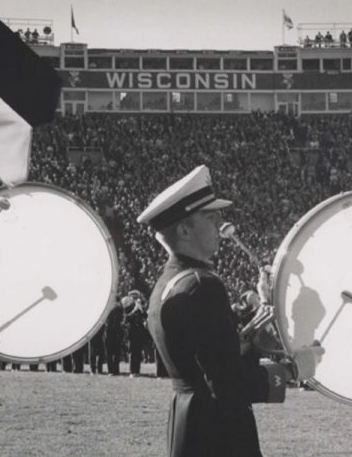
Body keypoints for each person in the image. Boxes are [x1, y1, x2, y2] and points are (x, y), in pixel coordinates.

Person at [139, 165, 324, 457]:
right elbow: (226, 383)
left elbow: (209, 357)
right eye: (210, 217)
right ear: (185, 229)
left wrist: (255, 328)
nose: (220, 225)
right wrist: (292, 369)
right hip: (219, 432)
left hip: (191, 424)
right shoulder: (203, 286)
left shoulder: (169, 283)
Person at [123, 292, 149, 378]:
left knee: (138, 353)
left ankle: (137, 370)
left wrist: (141, 309)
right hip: (131, 333)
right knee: (132, 352)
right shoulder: (128, 307)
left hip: (139, 333)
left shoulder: (141, 307)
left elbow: (145, 316)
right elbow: (126, 318)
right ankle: (132, 371)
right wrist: (134, 309)